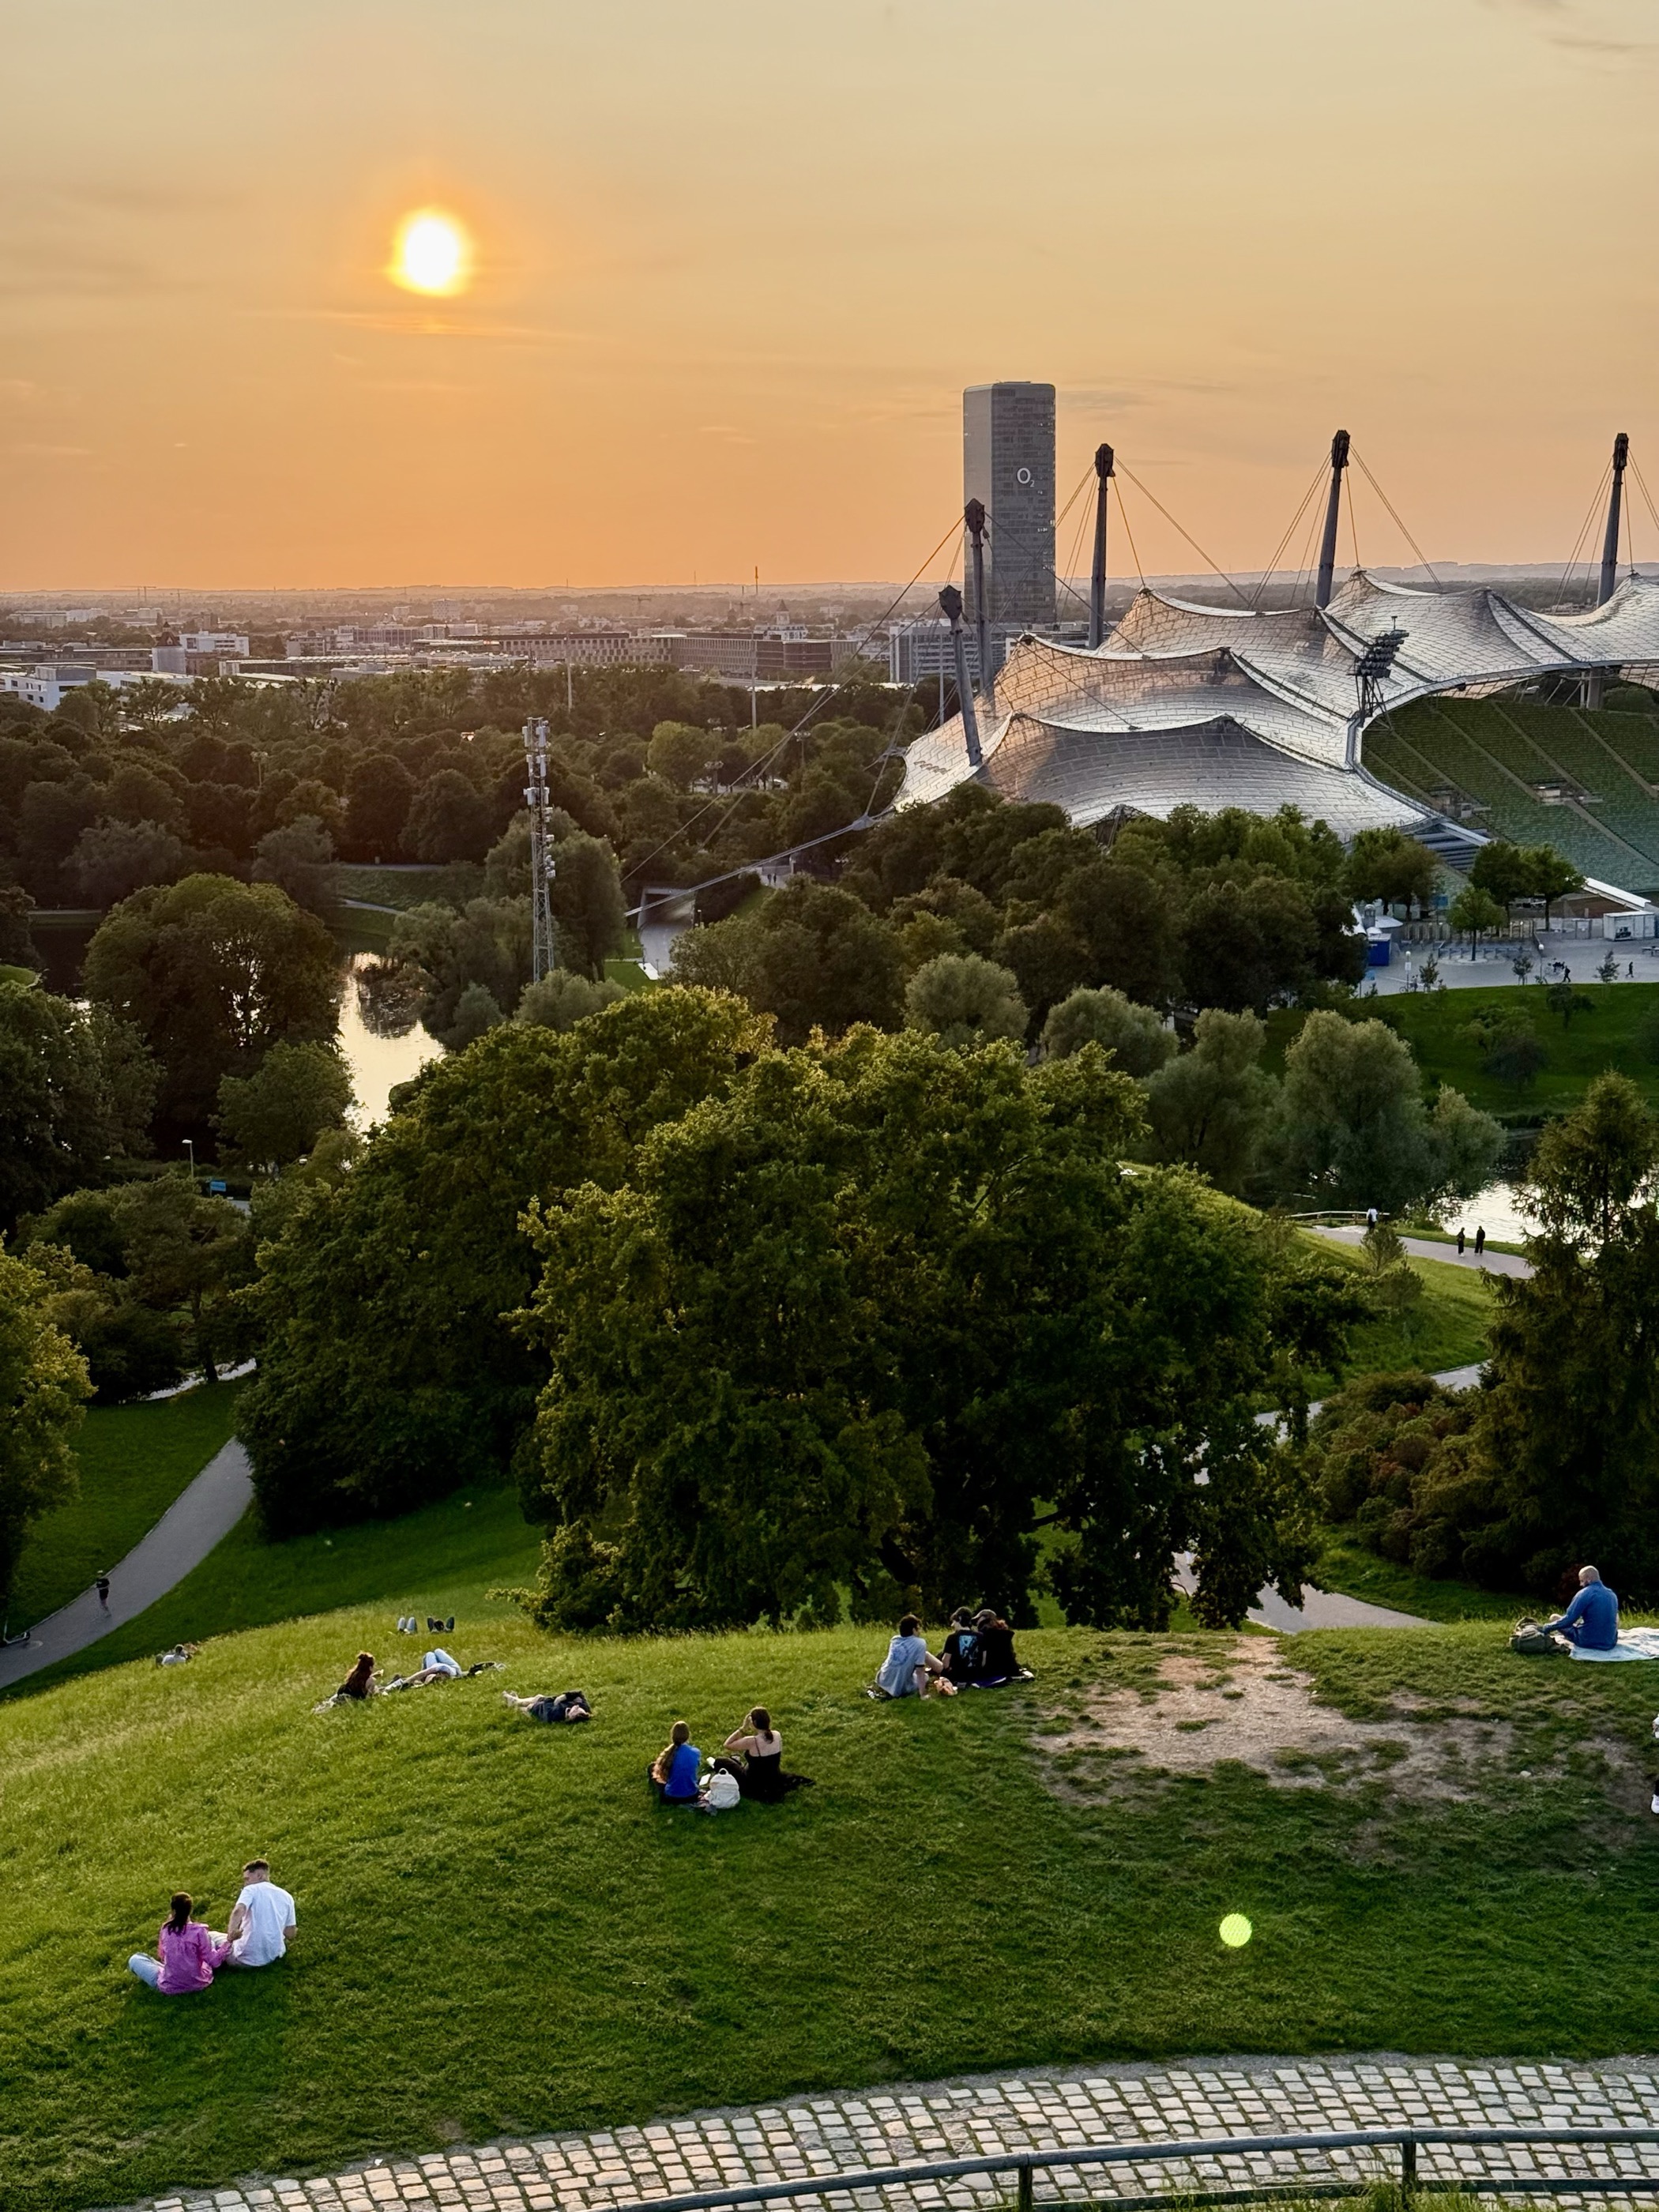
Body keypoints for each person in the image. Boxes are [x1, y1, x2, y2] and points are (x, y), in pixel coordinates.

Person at [128, 1892, 228, 1992]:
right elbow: (214, 1961)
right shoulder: (199, 1931)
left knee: (136, 1959)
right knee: (210, 1943)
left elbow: (162, 1956)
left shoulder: (167, 1929)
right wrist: (229, 1942)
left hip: (171, 1984)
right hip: (199, 1982)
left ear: (173, 1910)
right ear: (190, 1910)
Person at [712, 1707, 811, 1800]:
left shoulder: (752, 1741)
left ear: (754, 1723)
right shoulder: (777, 1735)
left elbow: (727, 1744)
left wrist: (743, 1728)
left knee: (720, 1761)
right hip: (774, 1776)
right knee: (737, 1761)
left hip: (753, 1782)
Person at [223, 1860, 296, 1969]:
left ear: (260, 1876)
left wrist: (231, 1934)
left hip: (245, 1958)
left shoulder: (250, 1890)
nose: (245, 1883)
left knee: (211, 1937)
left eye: (247, 1879)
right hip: (274, 1955)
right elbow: (290, 1933)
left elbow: (238, 1910)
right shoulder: (287, 1897)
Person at [872, 1614, 953, 1698]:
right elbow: (920, 1671)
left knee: (924, 1654)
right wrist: (923, 1694)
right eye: (918, 1628)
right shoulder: (919, 1643)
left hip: (883, 1679)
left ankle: (939, 1669)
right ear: (914, 1630)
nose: (920, 1631)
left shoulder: (895, 1640)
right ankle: (944, 1671)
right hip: (898, 1686)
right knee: (925, 1677)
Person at [1543, 1565, 1620, 1651]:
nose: (1581, 1584)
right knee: (1616, 1615)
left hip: (1586, 1641)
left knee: (1554, 1617)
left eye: (1582, 1581)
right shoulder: (1612, 1594)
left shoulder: (1584, 1593)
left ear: (1589, 1579)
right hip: (1610, 1643)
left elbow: (1569, 1619)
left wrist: (1547, 1627)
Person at [969, 1608, 1029, 1686]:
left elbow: (984, 1657)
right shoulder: (1005, 1634)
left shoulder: (984, 1635)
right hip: (1011, 1669)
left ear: (984, 1618)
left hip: (993, 1670)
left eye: (978, 1619)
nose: (976, 1623)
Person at [649, 1719, 702, 1804]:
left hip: (671, 1796)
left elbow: (663, 1774)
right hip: (692, 1795)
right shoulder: (696, 1752)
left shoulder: (668, 1755)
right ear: (688, 1735)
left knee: (652, 1768)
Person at [940, 1608, 982, 1686]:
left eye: (954, 1621)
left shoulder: (952, 1637)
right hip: (975, 1676)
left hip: (957, 1676)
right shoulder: (980, 1636)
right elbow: (983, 1661)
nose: (952, 1625)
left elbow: (945, 1663)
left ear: (959, 1619)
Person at [503, 1688, 592, 1725]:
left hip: (540, 1711)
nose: (576, 1707)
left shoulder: (556, 1715)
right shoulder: (584, 1707)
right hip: (549, 1705)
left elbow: (546, 1703)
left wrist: (555, 1700)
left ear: (570, 1717)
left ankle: (516, 1703)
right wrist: (564, 1697)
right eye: (580, 1709)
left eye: (576, 1710)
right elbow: (579, 1693)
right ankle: (516, 1701)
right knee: (539, 1697)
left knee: (530, 1706)